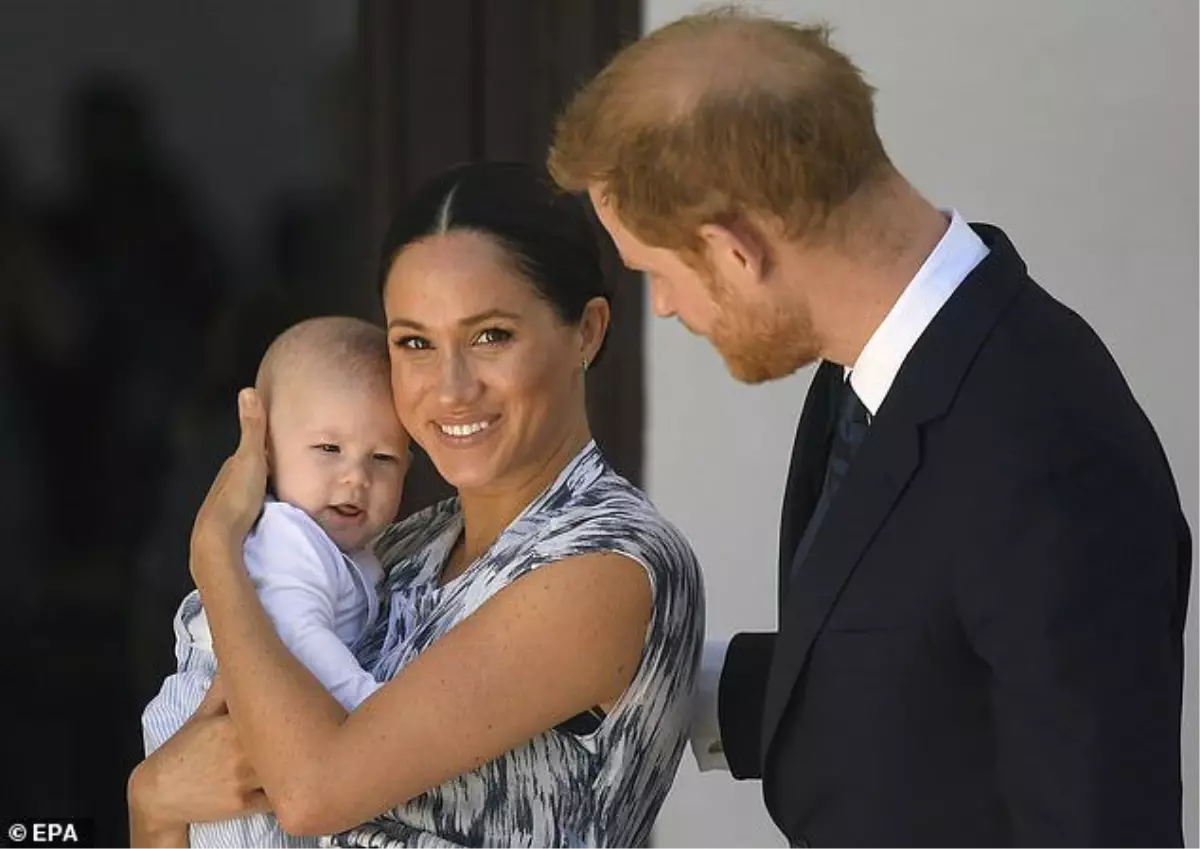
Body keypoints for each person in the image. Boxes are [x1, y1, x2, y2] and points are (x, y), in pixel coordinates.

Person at [548, 9, 1191, 849]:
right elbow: (911, 668)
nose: (664, 306)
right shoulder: (879, 365)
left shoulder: (1047, 449)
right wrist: (631, 674)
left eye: (657, 274)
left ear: (735, 250)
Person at [127, 161, 705, 849]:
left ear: (587, 330)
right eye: (415, 343)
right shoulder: (394, 551)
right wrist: (152, 800)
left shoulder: (606, 562)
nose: (451, 388)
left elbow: (312, 792)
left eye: (491, 335)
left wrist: (215, 554)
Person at [140, 316, 409, 848]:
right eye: (329, 449)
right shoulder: (289, 537)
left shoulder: (353, 551)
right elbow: (302, 639)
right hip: (223, 721)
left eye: (382, 458)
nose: (356, 477)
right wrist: (378, 717)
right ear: (264, 453)